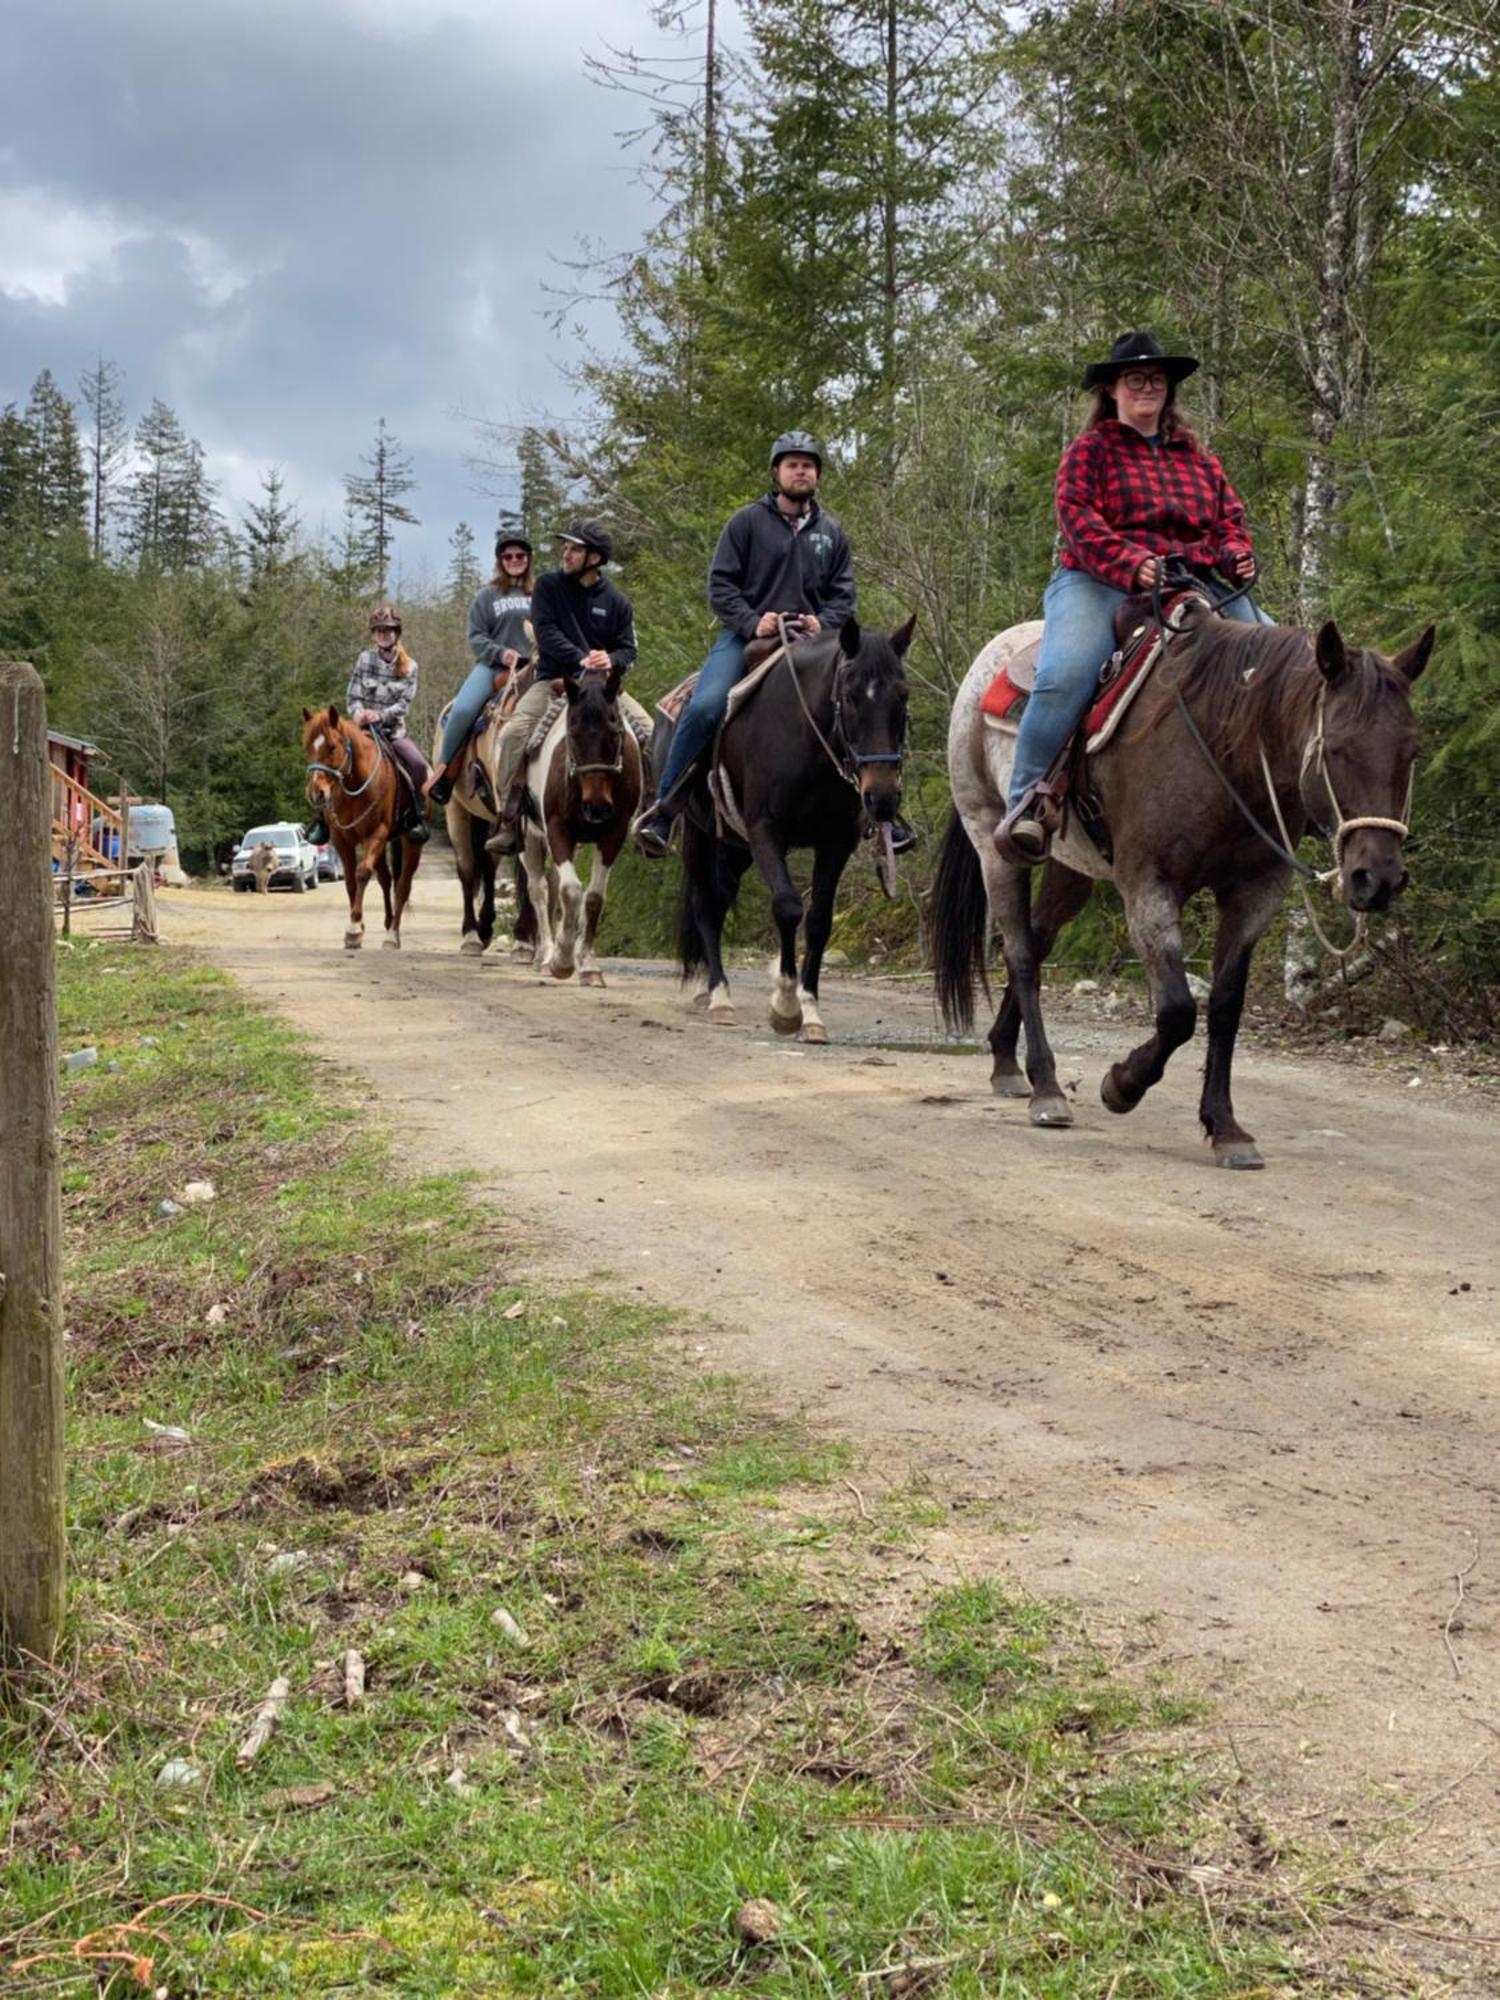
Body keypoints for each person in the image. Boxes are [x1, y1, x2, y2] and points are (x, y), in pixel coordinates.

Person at [997, 331, 1272, 864]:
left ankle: (1282, 795)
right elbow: (1078, 519)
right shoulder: (1090, 451)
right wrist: (1132, 563)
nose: (1148, 388)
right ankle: (1025, 803)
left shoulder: (1200, 460)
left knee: (1281, 658)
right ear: (1112, 389)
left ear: (1169, 391)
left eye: (1157, 380)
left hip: (1193, 582)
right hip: (1099, 579)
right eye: (1135, 379)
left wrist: (1237, 554)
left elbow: (1228, 522)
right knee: (1066, 674)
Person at [633, 429, 860, 859]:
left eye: (808, 465)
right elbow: (721, 586)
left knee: (866, 696)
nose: (801, 471)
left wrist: (822, 620)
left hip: (814, 643)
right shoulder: (746, 523)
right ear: (776, 473)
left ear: (818, 475)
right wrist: (755, 621)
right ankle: (665, 810)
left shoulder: (832, 532)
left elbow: (845, 596)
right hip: (746, 638)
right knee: (703, 706)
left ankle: (878, 814)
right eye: (792, 464)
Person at [484, 521, 653, 855]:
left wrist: (611, 658)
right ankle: (509, 817)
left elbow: (629, 650)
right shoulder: (548, 587)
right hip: (552, 683)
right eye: (567, 547)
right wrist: (582, 659)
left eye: (575, 548)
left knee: (652, 733)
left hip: (605, 692)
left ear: (594, 557)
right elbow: (546, 635)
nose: (566, 552)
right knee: (513, 734)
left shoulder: (617, 602)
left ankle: (651, 815)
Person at [425, 529, 536, 807]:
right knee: (462, 709)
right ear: (500, 560)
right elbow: (476, 636)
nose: (514, 559)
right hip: (495, 667)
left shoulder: (541, 593)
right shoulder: (487, 596)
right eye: (508, 555)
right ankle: (444, 773)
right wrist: (501, 653)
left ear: (528, 558)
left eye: (520, 555)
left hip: (536, 667)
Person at [309, 606, 431, 845]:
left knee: (418, 765)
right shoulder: (365, 659)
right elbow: (352, 696)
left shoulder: (411, 667)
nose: (383, 635)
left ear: (397, 633)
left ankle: (417, 817)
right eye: (379, 631)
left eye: (388, 631)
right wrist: (358, 714)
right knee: (327, 760)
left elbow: (404, 704)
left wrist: (380, 715)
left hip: (392, 733)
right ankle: (321, 821)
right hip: (360, 733)